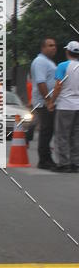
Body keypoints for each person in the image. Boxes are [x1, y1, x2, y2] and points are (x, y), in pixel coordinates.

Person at [51, 40, 79, 173]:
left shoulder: (62, 66)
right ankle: (76, 163)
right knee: (76, 135)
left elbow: (58, 86)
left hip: (65, 106)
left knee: (62, 135)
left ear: (67, 52)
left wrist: (51, 101)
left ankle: (64, 164)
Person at [30, 37, 58, 169]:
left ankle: (47, 159)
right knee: (46, 131)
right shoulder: (41, 61)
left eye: (54, 45)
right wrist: (48, 100)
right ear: (43, 48)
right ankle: (44, 161)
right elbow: (41, 82)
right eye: (50, 45)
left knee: (49, 130)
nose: (54, 47)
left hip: (48, 101)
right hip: (44, 102)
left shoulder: (48, 62)